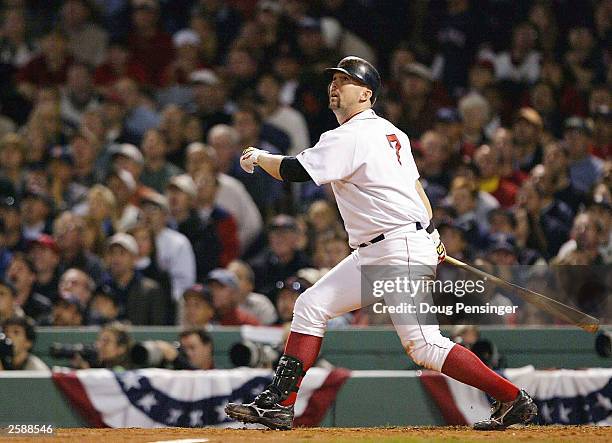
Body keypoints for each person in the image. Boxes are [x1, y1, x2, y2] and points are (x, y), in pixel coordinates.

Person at [225, 56, 537, 431]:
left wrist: (259, 157)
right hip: (386, 246)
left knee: (424, 345)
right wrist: (431, 232)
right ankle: (280, 404)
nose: (335, 87)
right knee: (311, 304)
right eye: (334, 81)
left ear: (367, 93)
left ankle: (511, 397)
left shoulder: (350, 135)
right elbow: (415, 189)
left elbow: (295, 171)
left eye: (345, 81)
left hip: (395, 247)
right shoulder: (393, 132)